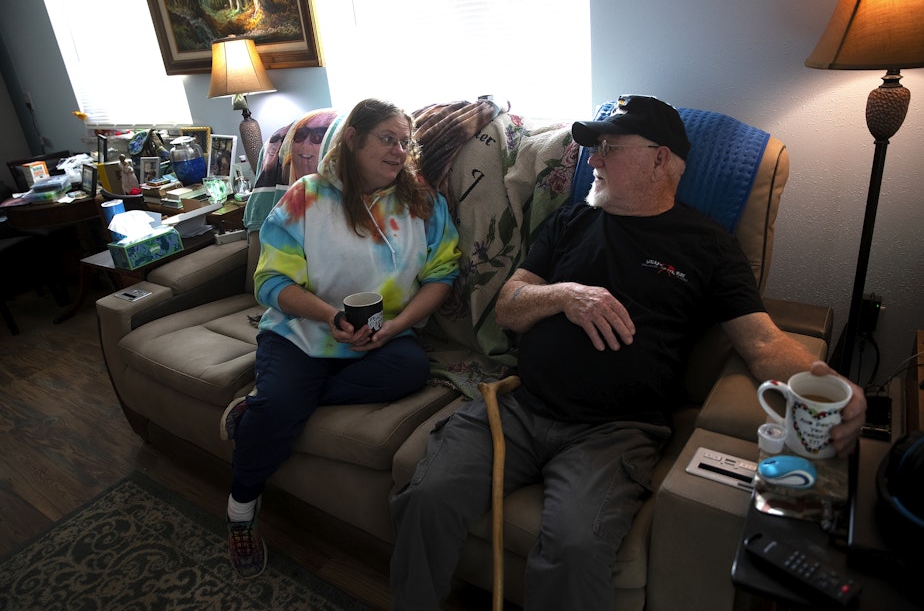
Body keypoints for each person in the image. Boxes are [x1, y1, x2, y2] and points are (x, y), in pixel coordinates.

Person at [389, 95, 867, 610]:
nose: (591, 159)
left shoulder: (708, 246)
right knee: (428, 498)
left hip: (615, 433)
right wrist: (567, 295)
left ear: (661, 159)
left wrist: (837, 387)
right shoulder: (571, 221)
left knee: (573, 548)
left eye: (608, 147)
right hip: (520, 409)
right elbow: (508, 305)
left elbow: (764, 343)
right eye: (592, 148)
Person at [220, 98, 462, 579]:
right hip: (302, 331)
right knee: (282, 404)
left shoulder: (425, 203)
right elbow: (270, 282)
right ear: (353, 139)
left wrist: (396, 326)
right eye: (387, 139)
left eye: (404, 142)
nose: (399, 151)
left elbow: (442, 276)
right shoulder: (306, 197)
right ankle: (240, 513)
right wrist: (329, 315)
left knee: (411, 369)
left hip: (381, 337)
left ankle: (271, 404)